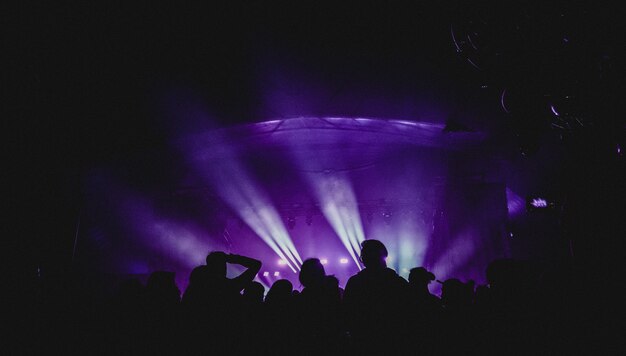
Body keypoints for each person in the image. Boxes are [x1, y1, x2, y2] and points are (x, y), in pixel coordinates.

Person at [343, 239, 409, 353]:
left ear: (364, 259)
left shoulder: (355, 283)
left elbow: (346, 313)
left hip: (363, 343)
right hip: (394, 341)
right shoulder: (397, 282)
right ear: (383, 256)